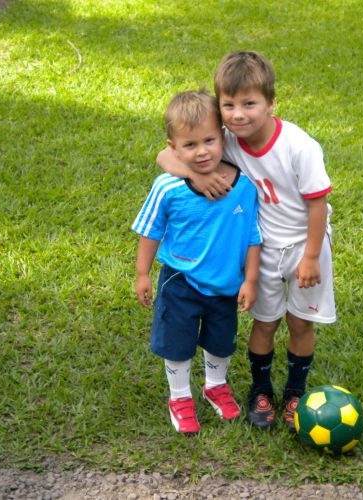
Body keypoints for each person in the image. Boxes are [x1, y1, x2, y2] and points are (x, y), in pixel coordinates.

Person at [156, 51, 336, 430]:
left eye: (250, 104)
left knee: (301, 322)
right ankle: (260, 390)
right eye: (229, 105)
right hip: (264, 247)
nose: (239, 114)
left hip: (306, 245)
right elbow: (164, 155)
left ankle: (295, 393)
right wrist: (199, 178)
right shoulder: (228, 141)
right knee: (265, 322)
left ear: (271, 103)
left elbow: (318, 204)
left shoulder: (300, 146)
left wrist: (311, 256)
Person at [133, 90, 262, 435]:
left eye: (208, 140)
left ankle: (215, 386)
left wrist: (250, 280)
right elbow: (150, 231)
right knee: (178, 342)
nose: (202, 151)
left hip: (226, 284)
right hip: (181, 282)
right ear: (172, 147)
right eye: (189, 145)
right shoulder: (167, 188)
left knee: (221, 341)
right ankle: (179, 396)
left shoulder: (245, 187)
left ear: (222, 137)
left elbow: (252, 237)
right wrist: (143, 274)